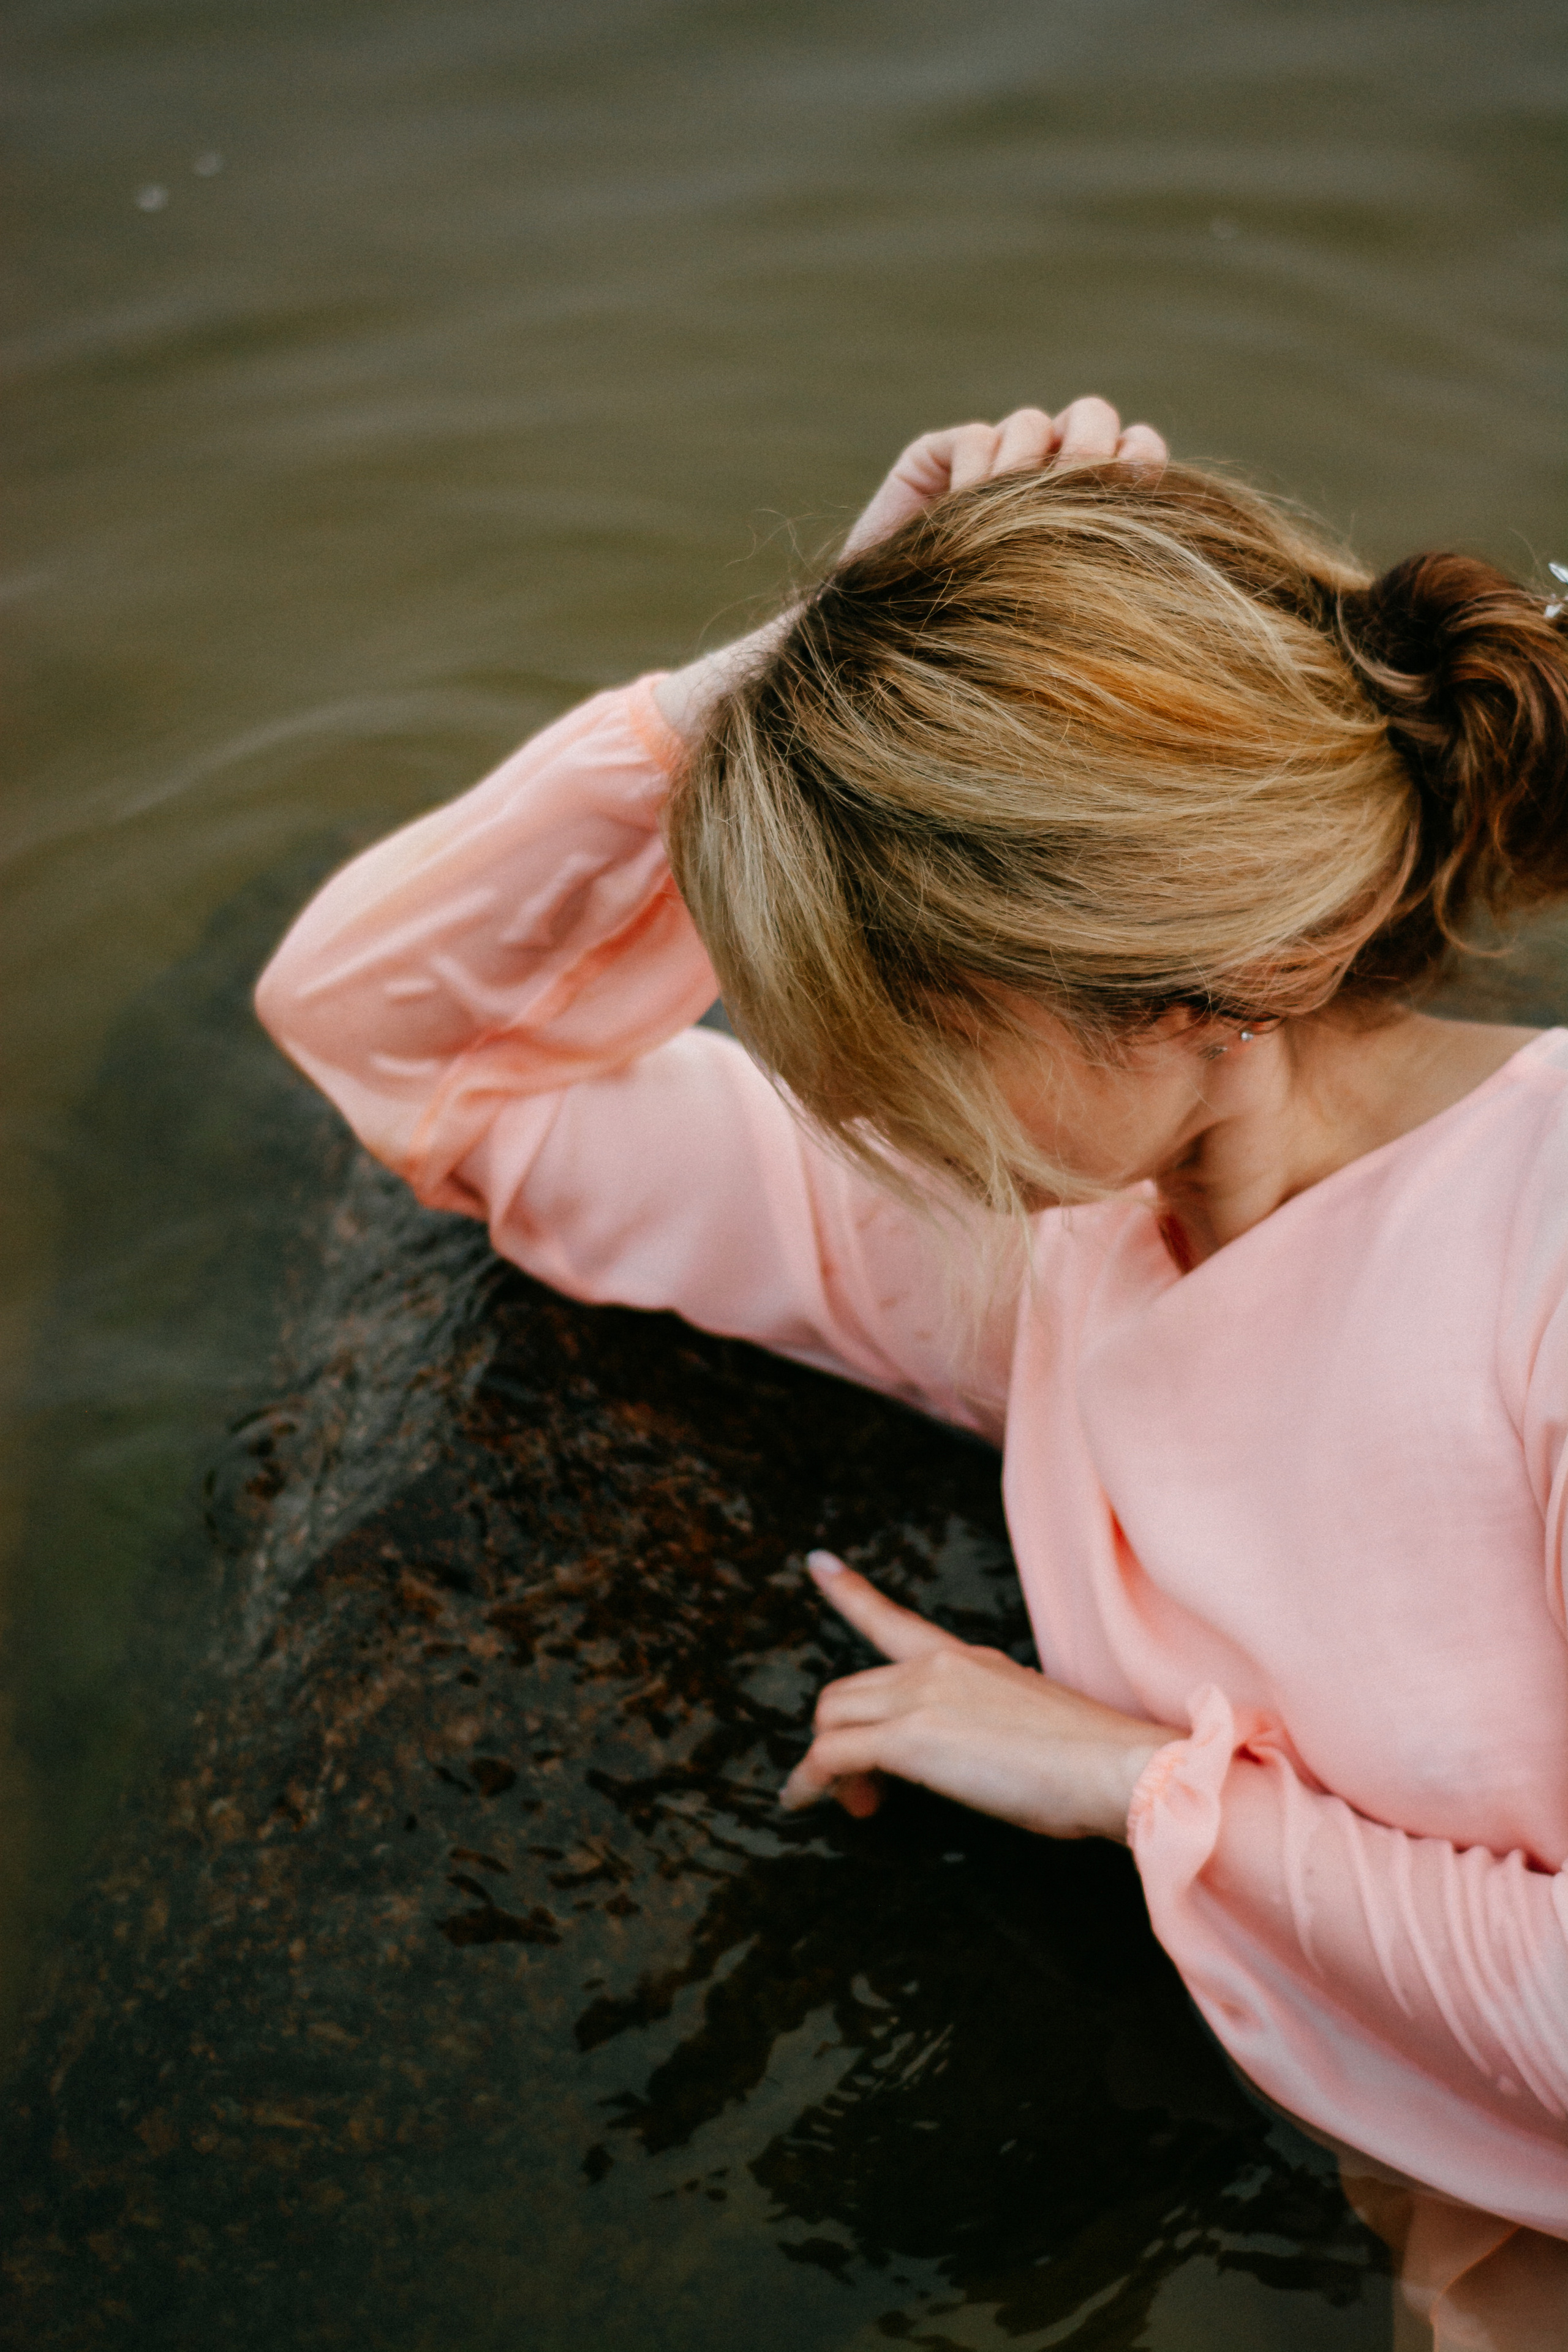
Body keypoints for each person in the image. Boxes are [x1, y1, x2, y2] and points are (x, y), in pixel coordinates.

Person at [255, 399, 1568, 2345]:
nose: (831, 1094)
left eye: (900, 1020)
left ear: (1197, 992)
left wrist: (1129, 1783)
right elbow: (388, 1044)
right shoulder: (1036, 1233)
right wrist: (780, 684)